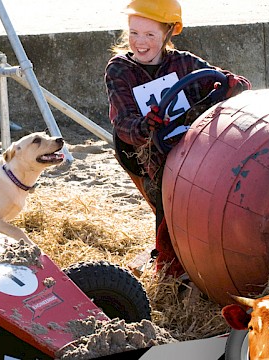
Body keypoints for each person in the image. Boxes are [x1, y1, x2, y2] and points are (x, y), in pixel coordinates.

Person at [105, 0, 251, 277]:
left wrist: (233, 83)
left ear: (168, 33)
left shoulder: (183, 62)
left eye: (150, 35)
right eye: (134, 33)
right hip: (146, 151)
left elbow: (230, 81)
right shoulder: (120, 70)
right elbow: (124, 124)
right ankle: (171, 267)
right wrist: (148, 125)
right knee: (171, 195)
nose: (140, 42)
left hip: (189, 142)